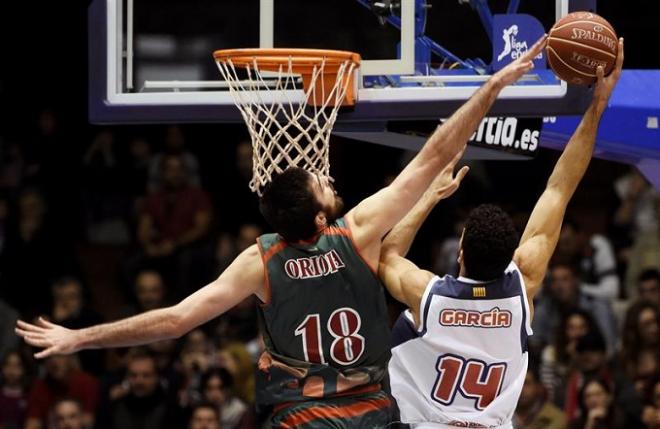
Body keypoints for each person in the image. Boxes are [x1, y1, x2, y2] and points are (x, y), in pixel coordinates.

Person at [15, 36, 546, 428]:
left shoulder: (260, 262)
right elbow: (434, 152)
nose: (326, 175)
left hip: (300, 414)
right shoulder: (358, 232)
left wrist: (80, 337)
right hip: (372, 413)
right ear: (320, 218)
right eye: (322, 183)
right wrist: (493, 86)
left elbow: (175, 321)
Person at [379, 39, 624, 428]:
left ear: (460, 249)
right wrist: (597, 107)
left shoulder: (428, 296)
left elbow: (387, 253)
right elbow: (559, 189)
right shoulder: (522, 286)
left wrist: (430, 196)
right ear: (512, 254)